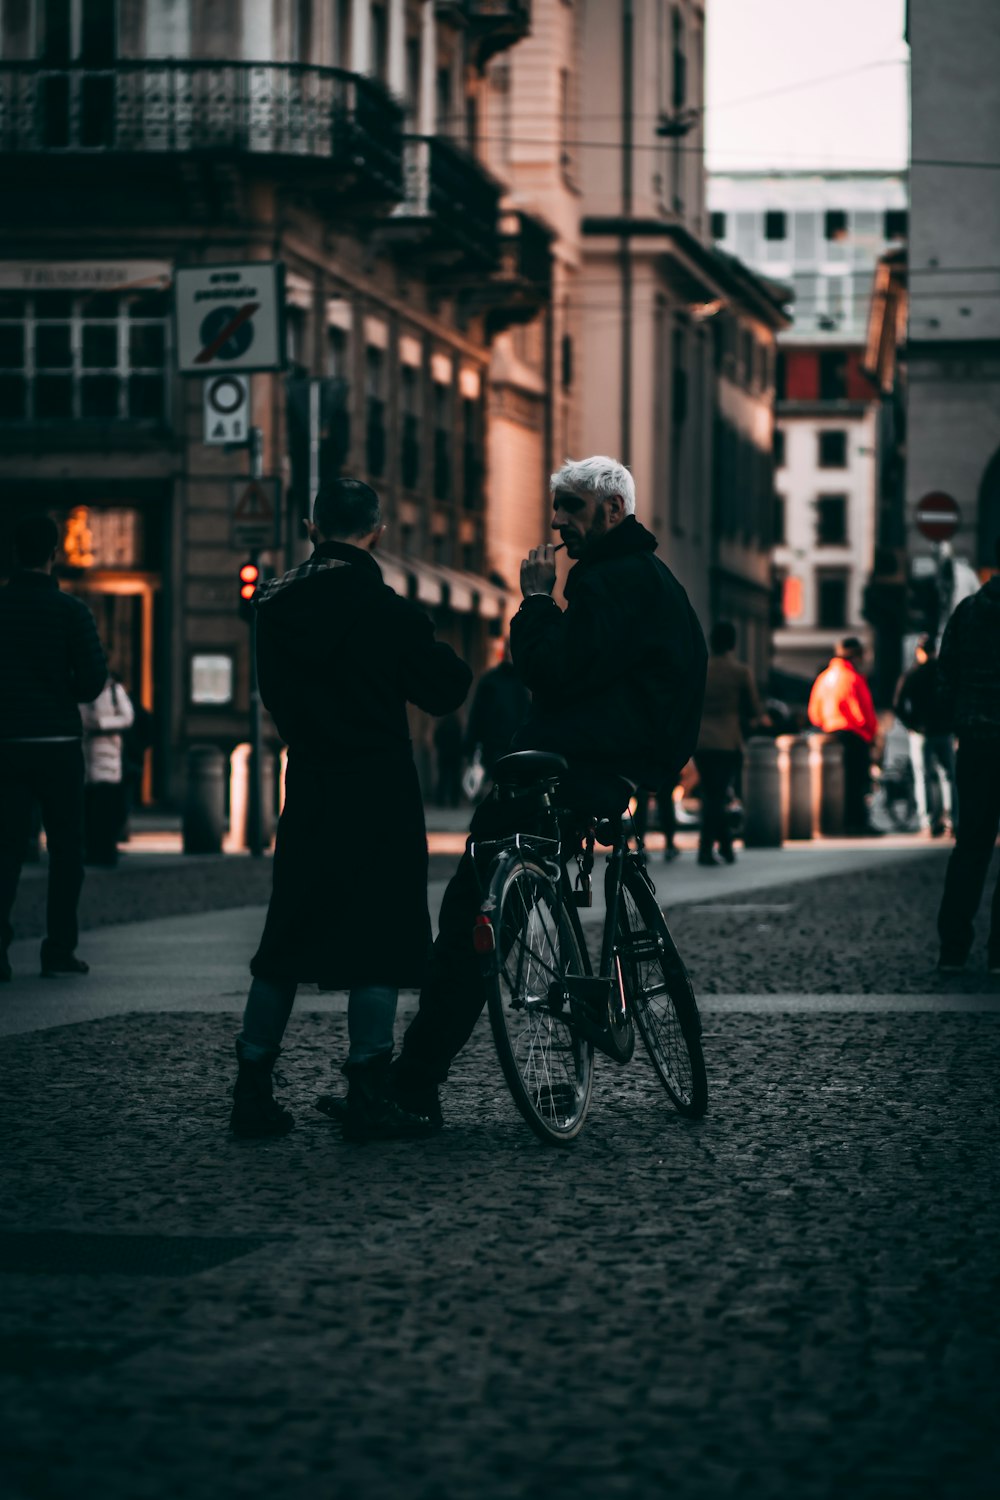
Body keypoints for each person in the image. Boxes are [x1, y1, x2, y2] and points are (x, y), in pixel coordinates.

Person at [390, 455, 708, 1129]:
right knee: (520, 893)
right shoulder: (654, 580)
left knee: (473, 910)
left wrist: (536, 601)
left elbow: (553, 670)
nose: (559, 521)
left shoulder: (608, 583)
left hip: (572, 766)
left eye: (572, 507)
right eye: (556, 507)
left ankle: (415, 1079)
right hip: (619, 763)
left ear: (613, 511)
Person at [228, 477, 472, 1140]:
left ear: (312, 528)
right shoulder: (385, 608)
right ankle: (367, 1088)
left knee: (284, 940)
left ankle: (252, 1086)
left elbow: (275, 694)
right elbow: (446, 688)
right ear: (378, 531)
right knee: (381, 939)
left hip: (308, 783)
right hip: (380, 789)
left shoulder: (273, 605)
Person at [0, 515, 107, 982]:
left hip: (6, 743)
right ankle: (58, 947)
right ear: (54, 554)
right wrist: (60, 688)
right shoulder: (71, 612)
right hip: (59, 744)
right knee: (67, 850)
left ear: (13, 553)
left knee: (4, 850)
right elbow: (92, 682)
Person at [934, 544, 1000, 974]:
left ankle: (953, 948)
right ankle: (999, 954)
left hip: (975, 741)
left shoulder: (968, 611)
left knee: (971, 846)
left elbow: (945, 674)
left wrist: (950, 720)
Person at [695, 621, 766, 866]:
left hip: (701, 741)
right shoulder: (740, 672)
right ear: (733, 644)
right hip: (727, 741)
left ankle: (724, 845)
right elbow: (754, 709)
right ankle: (707, 848)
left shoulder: (700, 668)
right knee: (718, 795)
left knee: (711, 794)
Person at [807, 637, 881, 836]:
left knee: (837, 783)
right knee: (857, 782)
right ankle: (857, 823)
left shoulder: (824, 678)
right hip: (854, 736)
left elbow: (814, 713)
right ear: (855, 656)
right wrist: (873, 736)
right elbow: (865, 712)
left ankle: (838, 821)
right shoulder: (852, 678)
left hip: (830, 736)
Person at [893, 634, 958, 836]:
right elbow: (956, 700)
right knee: (949, 776)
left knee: (923, 777)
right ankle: (952, 821)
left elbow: (898, 705)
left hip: (921, 733)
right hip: (944, 731)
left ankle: (928, 822)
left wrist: (912, 725)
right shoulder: (944, 674)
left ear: (919, 652)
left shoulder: (913, 674)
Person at [81, 675, 135, 866]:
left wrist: (102, 724)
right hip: (85, 759)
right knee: (89, 811)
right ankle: (93, 851)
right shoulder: (79, 690)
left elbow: (127, 718)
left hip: (109, 760)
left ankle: (105, 852)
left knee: (106, 810)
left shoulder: (113, 691)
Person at [463, 639, 531, 780]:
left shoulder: (520, 682)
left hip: (513, 746)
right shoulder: (490, 681)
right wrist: (471, 745)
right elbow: (477, 715)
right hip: (494, 746)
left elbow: (526, 714)